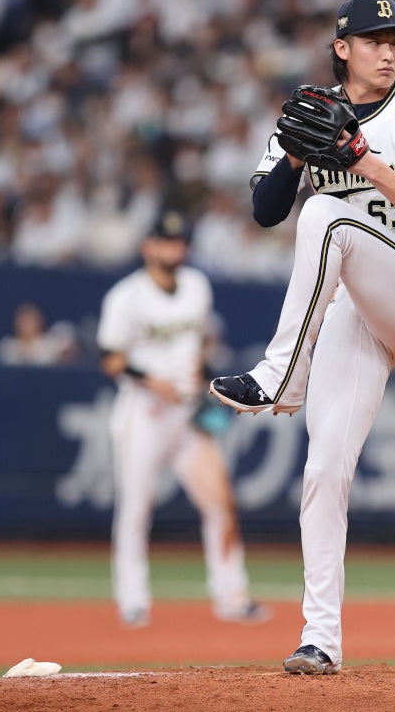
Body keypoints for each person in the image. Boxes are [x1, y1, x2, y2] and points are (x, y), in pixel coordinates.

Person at [209, 0, 395, 675]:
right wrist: (294, 156)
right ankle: (320, 640)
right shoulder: (311, 111)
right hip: (357, 309)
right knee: (324, 469)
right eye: (375, 40)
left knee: (328, 214)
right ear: (342, 48)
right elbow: (264, 211)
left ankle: (278, 374)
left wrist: (365, 161)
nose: (390, 51)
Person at [97, 211, 269, 629]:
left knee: (221, 504)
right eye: (165, 241)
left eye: (179, 241)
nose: (174, 248)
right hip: (145, 412)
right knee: (136, 509)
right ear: (147, 247)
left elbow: (199, 345)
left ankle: (232, 597)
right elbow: (109, 358)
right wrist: (151, 380)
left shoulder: (197, 287)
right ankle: (133, 600)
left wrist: (207, 381)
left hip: (188, 415)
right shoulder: (126, 296)